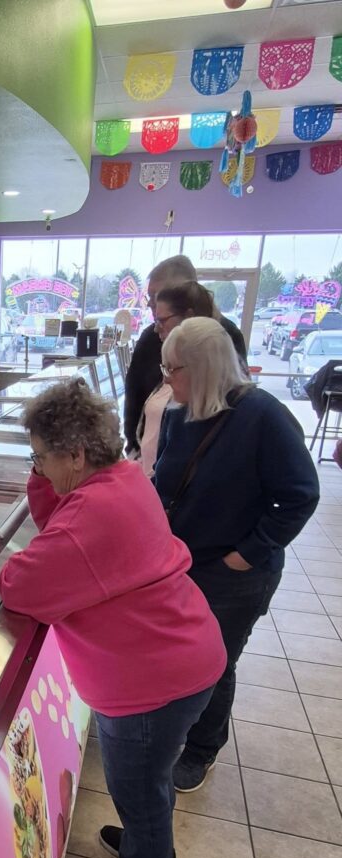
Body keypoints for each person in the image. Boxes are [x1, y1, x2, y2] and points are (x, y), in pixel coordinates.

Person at [0, 378, 226, 858]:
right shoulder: (119, 476)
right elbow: (58, 516)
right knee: (150, 783)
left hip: (152, 683)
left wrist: (14, 560)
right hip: (184, 654)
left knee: (140, 790)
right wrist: (40, 473)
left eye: (42, 457)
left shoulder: (91, 518)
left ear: (75, 455)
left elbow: (19, 586)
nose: (40, 468)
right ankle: (155, 850)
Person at [154, 318, 319, 792]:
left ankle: (202, 750)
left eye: (173, 368)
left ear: (205, 368)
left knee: (215, 660)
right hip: (184, 563)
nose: (165, 378)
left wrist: (248, 553)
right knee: (183, 654)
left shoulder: (263, 416)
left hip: (236, 573)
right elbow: (167, 487)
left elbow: (300, 495)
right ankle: (178, 729)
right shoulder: (177, 414)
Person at [124, 255, 246, 455]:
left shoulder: (226, 335)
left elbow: (232, 400)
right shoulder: (150, 338)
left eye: (157, 296)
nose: (152, 306)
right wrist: (133, 446)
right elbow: (134, 395)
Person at [134, 281, 216, 476]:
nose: (156, 329)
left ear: (188, 318)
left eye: (163, 321)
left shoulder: (253, 409)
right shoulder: (169, 369)